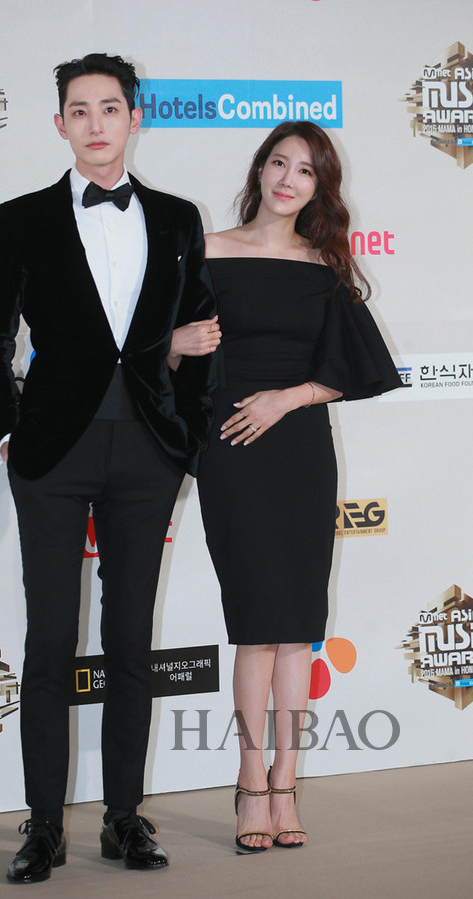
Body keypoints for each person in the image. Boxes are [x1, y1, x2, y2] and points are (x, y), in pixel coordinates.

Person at [0, 53, 219, 883]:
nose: (96, 123)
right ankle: (43, 825)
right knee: (49, 639)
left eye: (110, 107)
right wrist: (4, 430)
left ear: (134, 116)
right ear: (60, 124)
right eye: (79, 110)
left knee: (130, 643)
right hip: (51, 453)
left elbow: (202, 334)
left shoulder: (178, 218)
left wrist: (188, 434)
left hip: (148, 453)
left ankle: (123, 818)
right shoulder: (21, 218)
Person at [171, 121, 401, 854]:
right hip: (232, 447)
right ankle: (249, 784)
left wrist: (287, 398)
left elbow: (356, 367)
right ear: (260, 169)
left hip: (299, 448)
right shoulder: (206, 251)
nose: (287, 179)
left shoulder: (324, 264)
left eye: (305, 171)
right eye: (279, 162)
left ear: (318, 189)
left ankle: (285, 783)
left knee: (297, 625)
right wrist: (176, 346)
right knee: (256, 623)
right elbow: (162, 357)